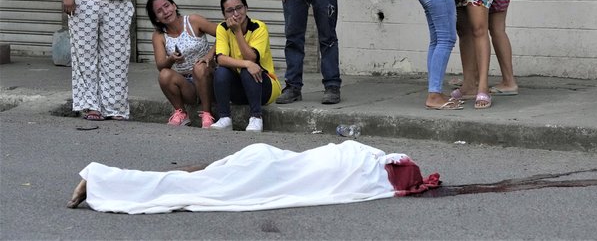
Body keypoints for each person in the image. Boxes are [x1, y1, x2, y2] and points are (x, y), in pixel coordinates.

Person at [66, 140, 441, 213]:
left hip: (268, 161)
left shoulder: (362, 158)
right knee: (196, 186)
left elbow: (336, 151)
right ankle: (103, 179)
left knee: (198, 180)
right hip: (269, 168)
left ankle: (103, 179)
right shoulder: (362, 178)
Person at [210, 0, 281, 132]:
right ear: (224, 14)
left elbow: (251, 58)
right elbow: (220, 58)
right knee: (221, 71)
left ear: (246, 8)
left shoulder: (258, 27)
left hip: (264, 88)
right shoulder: (222, 28)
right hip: (240, 89)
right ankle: (224, 117)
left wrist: (237, 32)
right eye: (230, 11)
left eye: (239, 8)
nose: (236, 14)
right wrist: (247, 64)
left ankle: (256, 117)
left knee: (248, 70)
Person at [146, 0, 218, 128]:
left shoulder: (193, 21)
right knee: (164, 75)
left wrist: (209, 55)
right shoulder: (159, 35)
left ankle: (207, 114)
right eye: (159, 11)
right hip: (187, 85)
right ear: (156, 18)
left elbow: (224, 34)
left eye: (167, 6)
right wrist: (171, 59)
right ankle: (181, 113)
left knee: (199, 67)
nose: (165, 12)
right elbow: (161, 65)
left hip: (209, 78)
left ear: (174, 5)